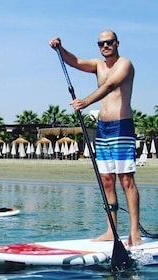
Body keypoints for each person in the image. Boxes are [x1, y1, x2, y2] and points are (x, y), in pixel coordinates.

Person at [49, 30, 141, 246]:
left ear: (117, 43)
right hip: (103, 129)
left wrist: (86, 102)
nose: (105, 46)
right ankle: (111, 230)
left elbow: (110, 86)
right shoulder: (99, 65)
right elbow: (75, 62)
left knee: (126, 180)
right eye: (101, 43)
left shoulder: (125, 64)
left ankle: (134, 231)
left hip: (122, 127)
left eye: (109, 42)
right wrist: (60, 49)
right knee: (107, 180)